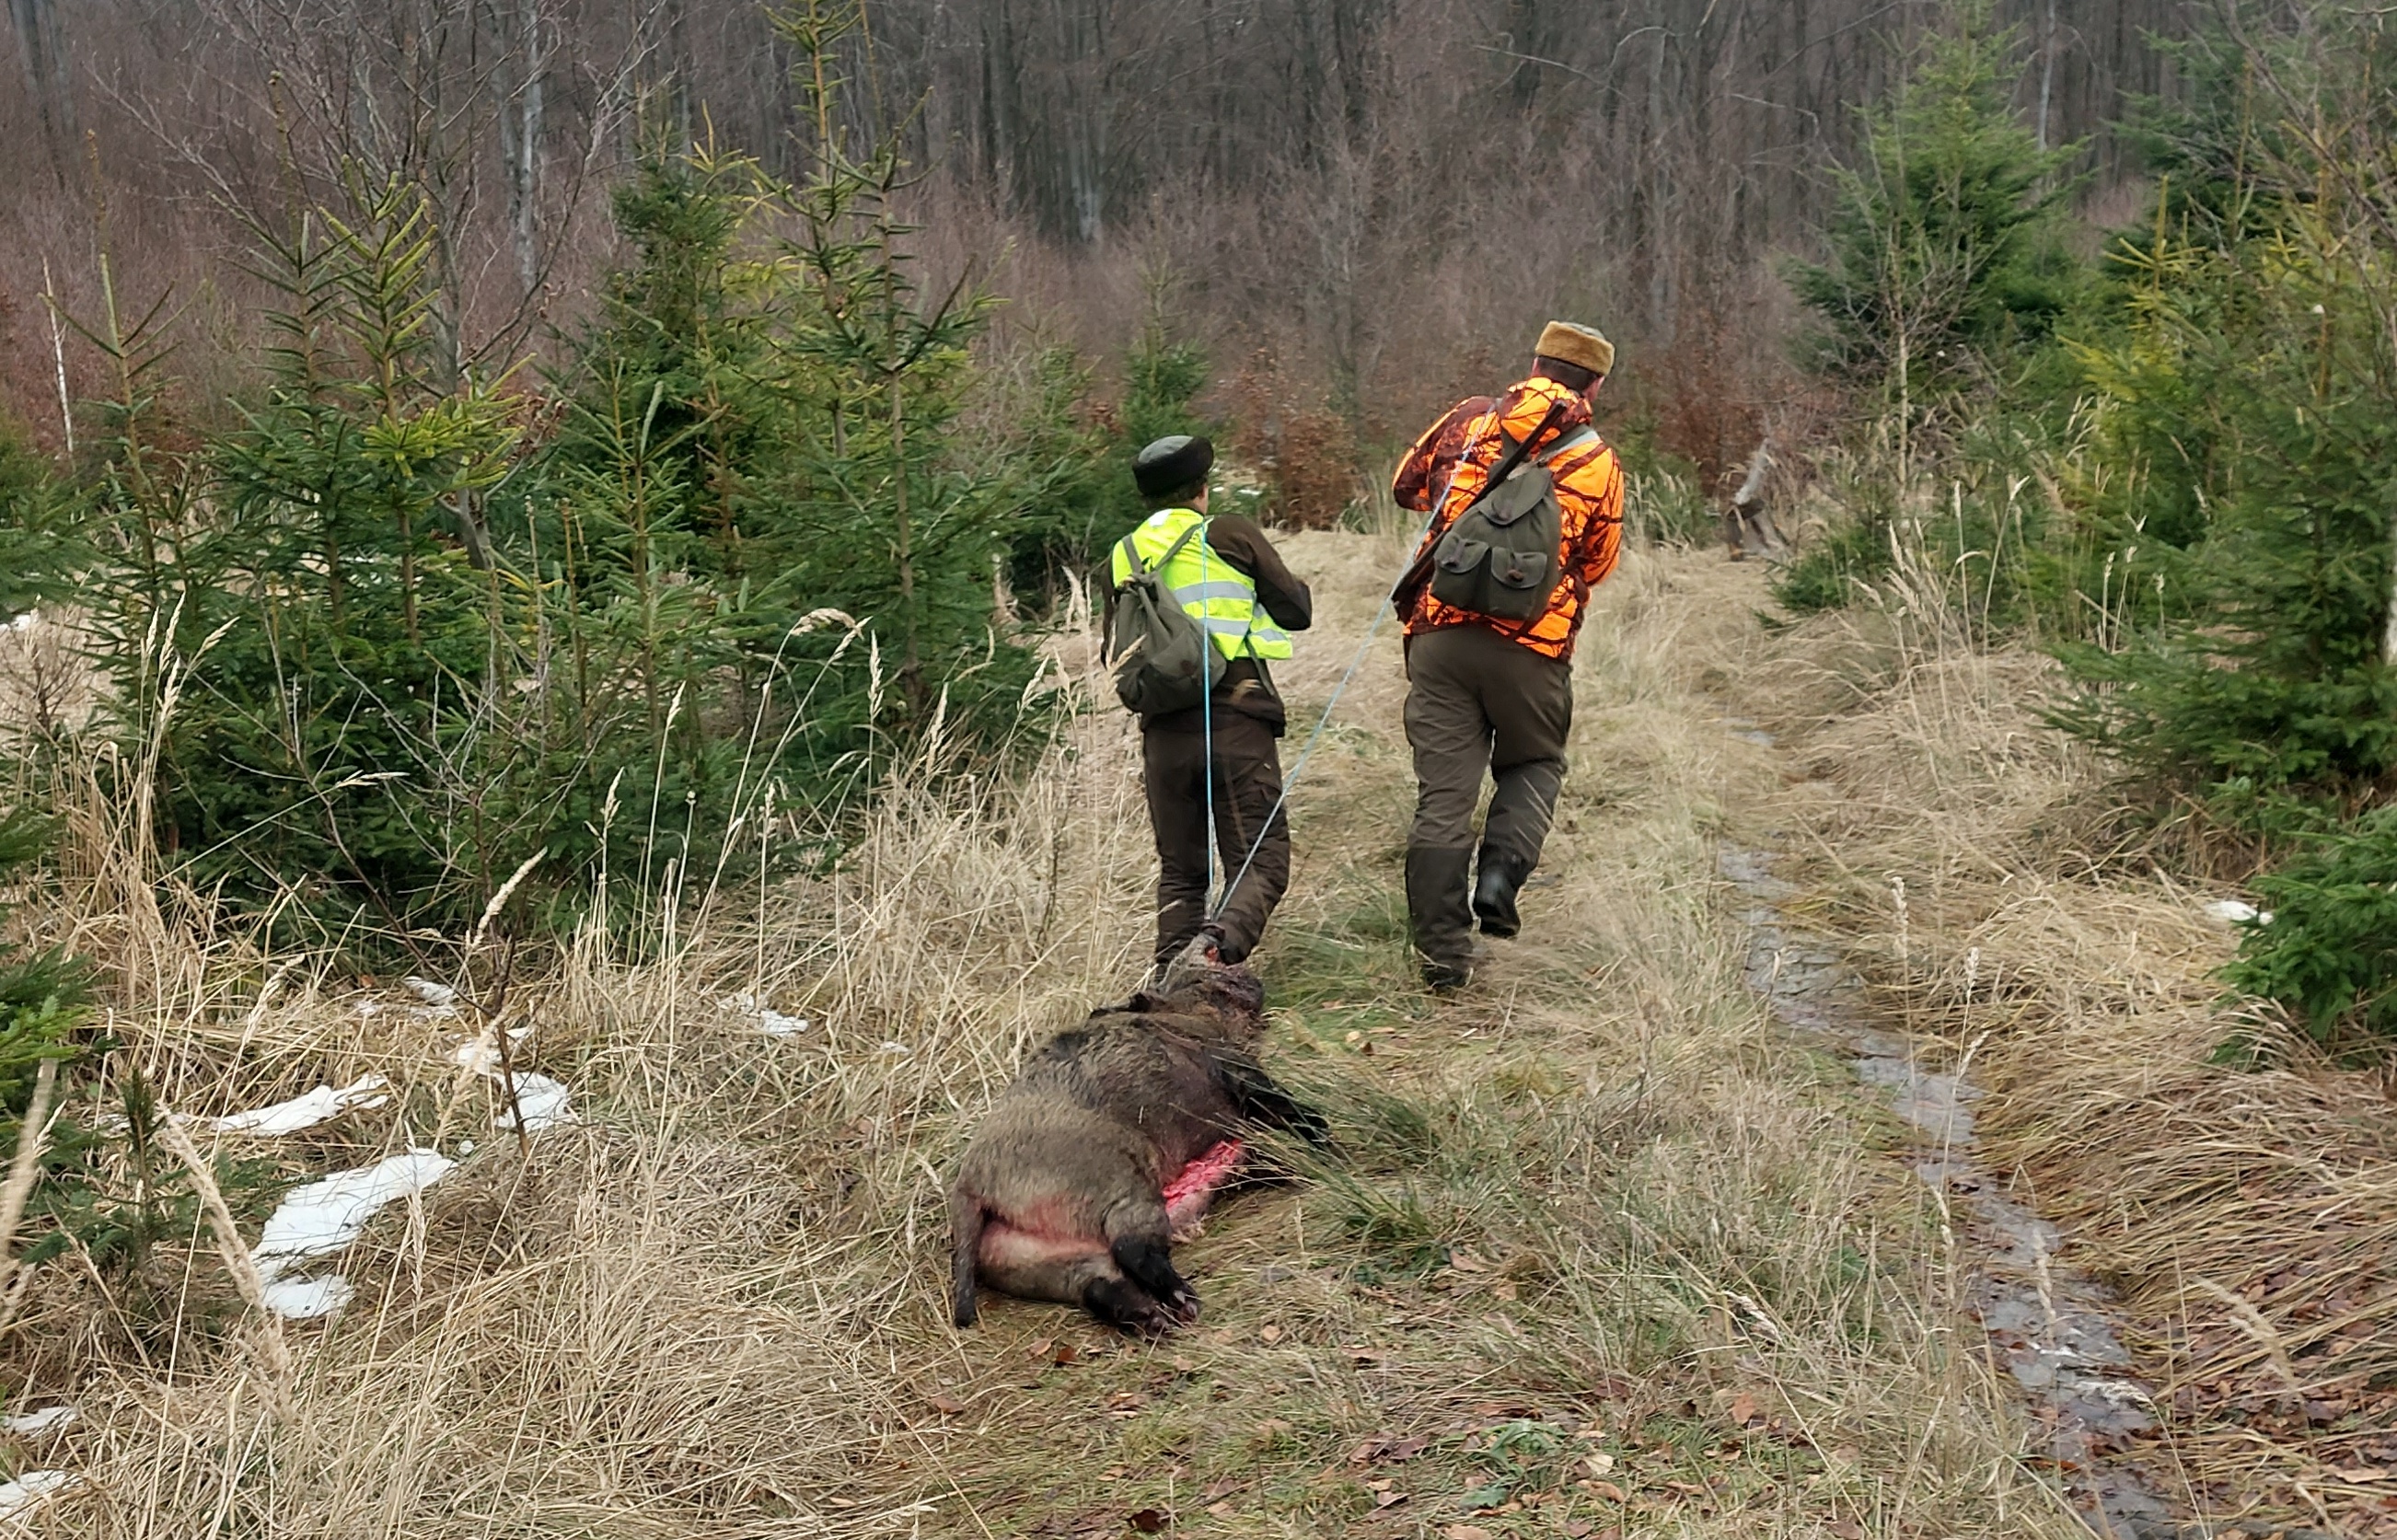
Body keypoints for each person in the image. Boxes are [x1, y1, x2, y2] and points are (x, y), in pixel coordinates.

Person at [1388, 321, 1626, 990]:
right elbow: (1599, 565)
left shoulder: (1470, 420)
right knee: (1534, 761)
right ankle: (1499, 876)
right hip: (1534, 644)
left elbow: (1406, 486)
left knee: (1442, 797)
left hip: (1439, 633)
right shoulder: (1599, 462)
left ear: (1533, 362)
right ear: (1596, 385)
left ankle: (1443, 962)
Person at [1106, 434, 1314, 968]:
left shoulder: (1124, 554)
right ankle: (1214, 957)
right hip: (1236, 722)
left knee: (1181, 874)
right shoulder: (1229, 533)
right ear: (1203, 487)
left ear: (1147, 499)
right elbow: (1295, 611)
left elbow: (1120, 645)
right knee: (1261, 863)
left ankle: (1168, 994)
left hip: (1163, 735)